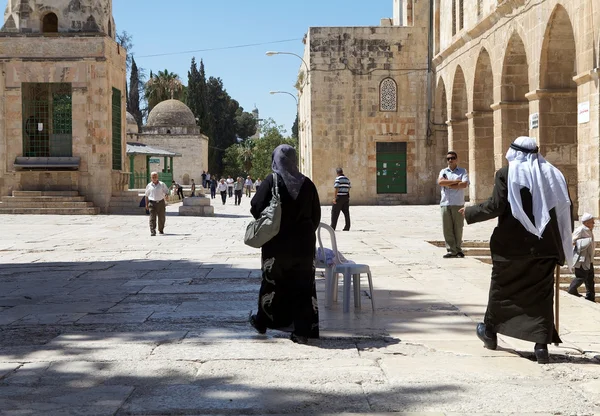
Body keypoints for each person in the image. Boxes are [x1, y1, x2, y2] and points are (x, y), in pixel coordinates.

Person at [460, 136, 573, 364]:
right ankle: (541, 346)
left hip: (511, 249)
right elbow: (565, 212)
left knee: (502, 292)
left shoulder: (507, 174)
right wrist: (562, 247)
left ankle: (490, 333)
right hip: (545, 248)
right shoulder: (554, 175)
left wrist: (471, 212)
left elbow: (496, 205)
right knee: (541, 297)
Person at [249, 144, 321, 344]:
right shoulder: (308, 184)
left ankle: (263, 322)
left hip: (276, 245)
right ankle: (302, 331)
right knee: (303, 287)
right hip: (304, 247)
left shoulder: (272, 181)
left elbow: (255, 207)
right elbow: (316, 216)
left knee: (271, 283)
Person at [438, 151, 469, 258]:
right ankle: (451, 250)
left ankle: (458, 250)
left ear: (456, 159)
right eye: (448, 158)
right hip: (445, 203)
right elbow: (440, 182)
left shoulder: (462, 171)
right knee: (447, 228)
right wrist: (455, 182)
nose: (450, 160)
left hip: (458, 203)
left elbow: (464, 184)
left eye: (452, 158)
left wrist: (448, 183)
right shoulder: (443, 171)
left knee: (458, 227)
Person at [569, 213, 595, 302]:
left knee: (590, 279)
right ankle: (571, 290)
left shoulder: (589, 230)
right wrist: (584, 242)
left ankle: (591, 297)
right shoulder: (580, 230)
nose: (594, 223)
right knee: (581, 277)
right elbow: (572, 241)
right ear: (587, 223)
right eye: (592, 222)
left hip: (589, 259)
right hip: (581, 259)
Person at [145, 172, 169, 236]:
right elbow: (146, 196)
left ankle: (161, 229)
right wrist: (146, 204)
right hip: (152, 203)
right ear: (151, 178)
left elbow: (166, 191)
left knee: (161, 217)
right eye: (153, 177)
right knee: (152, 218)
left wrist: (166, 195)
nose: (154, 178)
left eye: (155, 177)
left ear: (157, 177)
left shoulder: (162, 184)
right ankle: (153, 231)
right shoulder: (149, 185)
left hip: (160, 202)